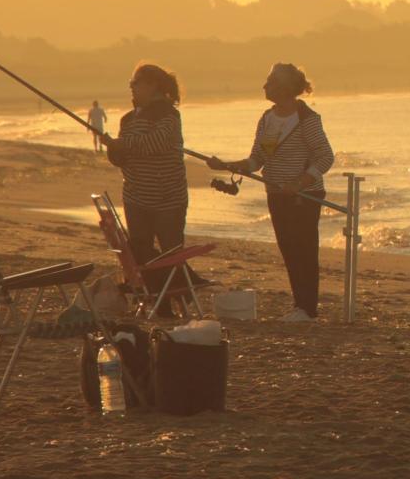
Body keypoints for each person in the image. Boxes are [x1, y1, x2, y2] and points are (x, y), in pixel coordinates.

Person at [208, 63, 333, 323]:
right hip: (276, 195)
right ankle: (300, 306)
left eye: (271, 83)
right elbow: (258, 159)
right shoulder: (268, 119)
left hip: (304, 197)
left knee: (304, 251)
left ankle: (307, 309)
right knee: (288, 249)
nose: (265, 87)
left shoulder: (306, 119)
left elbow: (324, 157)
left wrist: (299, 183)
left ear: (287, 88)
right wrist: (228, 165)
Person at [102, 64, 189, 314]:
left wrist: (122, 144)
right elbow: (122, 159)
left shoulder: (169, 116)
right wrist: (114, 149)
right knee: (141, 251)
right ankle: (159, 305)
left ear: (152, 85)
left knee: (172, 251)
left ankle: (182, 301)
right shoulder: (128, 119)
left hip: (168, 199)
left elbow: (156, 143)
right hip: (136, 197)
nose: (131, 87)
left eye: (136, 82)